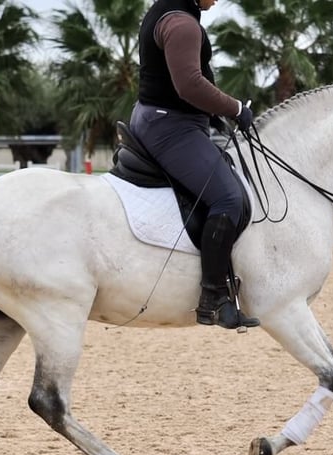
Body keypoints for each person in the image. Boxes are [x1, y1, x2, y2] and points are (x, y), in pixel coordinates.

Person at [129, 0, 260, 330]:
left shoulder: (168, 11)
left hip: (162, 117)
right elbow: (188, 84)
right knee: (228, 198)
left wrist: (212, 115)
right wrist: (235, 108)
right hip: (170, 127)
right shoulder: (182, 24)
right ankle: (213, 298)